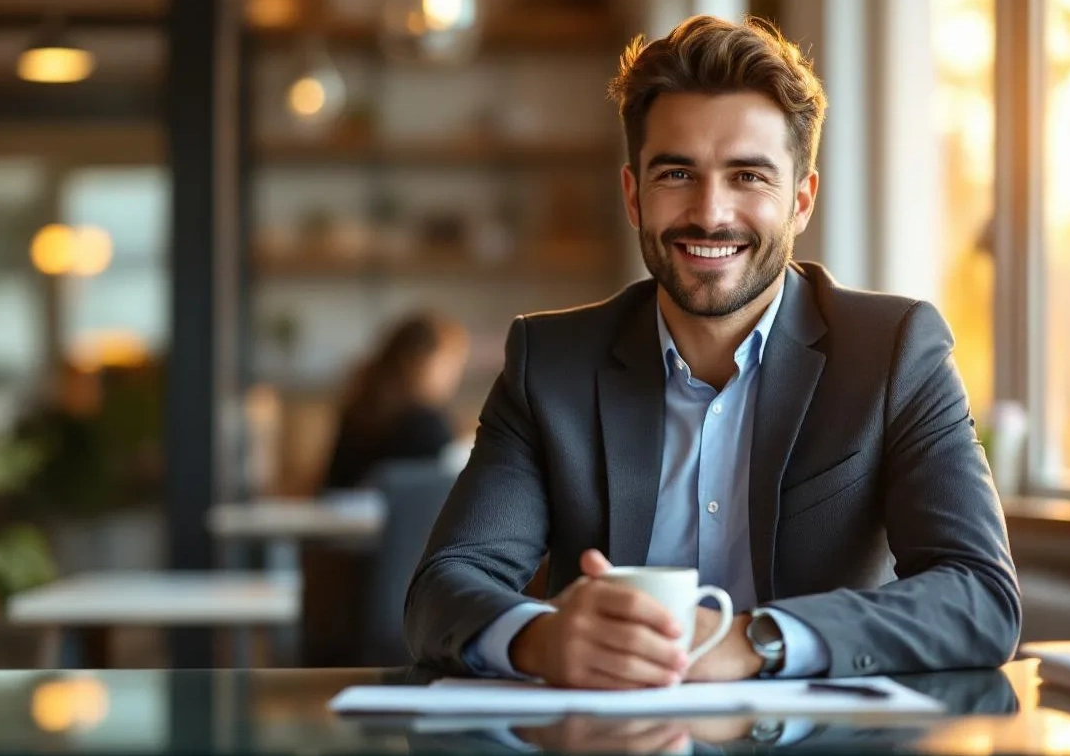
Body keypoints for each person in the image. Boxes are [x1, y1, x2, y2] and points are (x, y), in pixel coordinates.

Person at [404, 15, 1020, 688]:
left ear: (802, 200)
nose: (711, 213)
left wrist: (758, 641)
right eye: (676, 174)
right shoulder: (550, 363)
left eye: (749, 176)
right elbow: (445, 587)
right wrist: (540, 638)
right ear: (634, 194)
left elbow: (978, 595)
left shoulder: (894, 351)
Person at [319, 311, 469, 492]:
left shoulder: (358, 410)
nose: (455, 376)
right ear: (420, 361)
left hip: (340, 517)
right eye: (450, 363)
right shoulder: (427, 424)